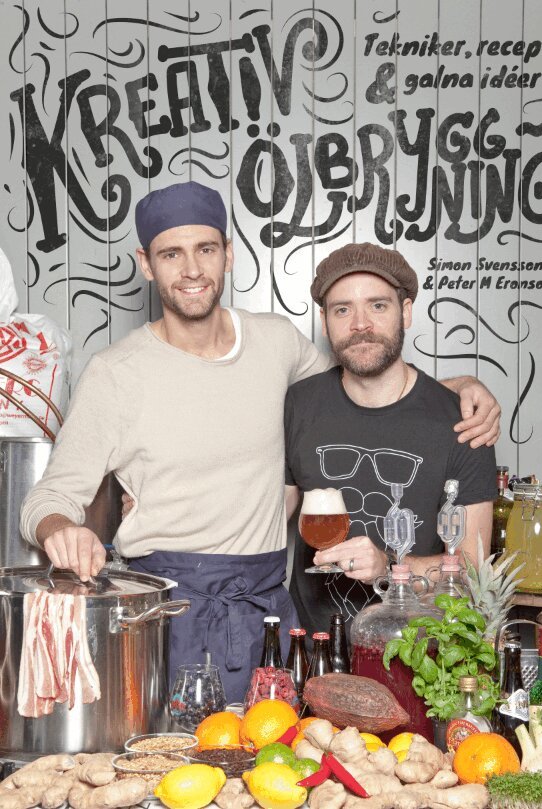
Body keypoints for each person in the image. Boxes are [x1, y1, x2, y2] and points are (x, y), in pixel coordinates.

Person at [20, 181, 499, 702]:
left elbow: (364, 378)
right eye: (171, 254)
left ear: (228, 255)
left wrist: (454, 390)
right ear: (146, 264)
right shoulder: (115, 373)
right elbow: (47, 499)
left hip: (267, 610)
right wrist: (61, 529)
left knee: (276, 748)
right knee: (174, 747)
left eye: (206, 249)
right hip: (168, 611)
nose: (192, 270)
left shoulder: (276, 343)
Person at [284, 242, 496, 637]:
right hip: (311, 652)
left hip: (418, 654)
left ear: (407, 311)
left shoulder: (465, 422)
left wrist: (390, 568)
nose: (360, 324)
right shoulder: (298, 404)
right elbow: (266, 517)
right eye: (342, 310)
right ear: (324, 321)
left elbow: (472, 570)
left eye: (378, 306)